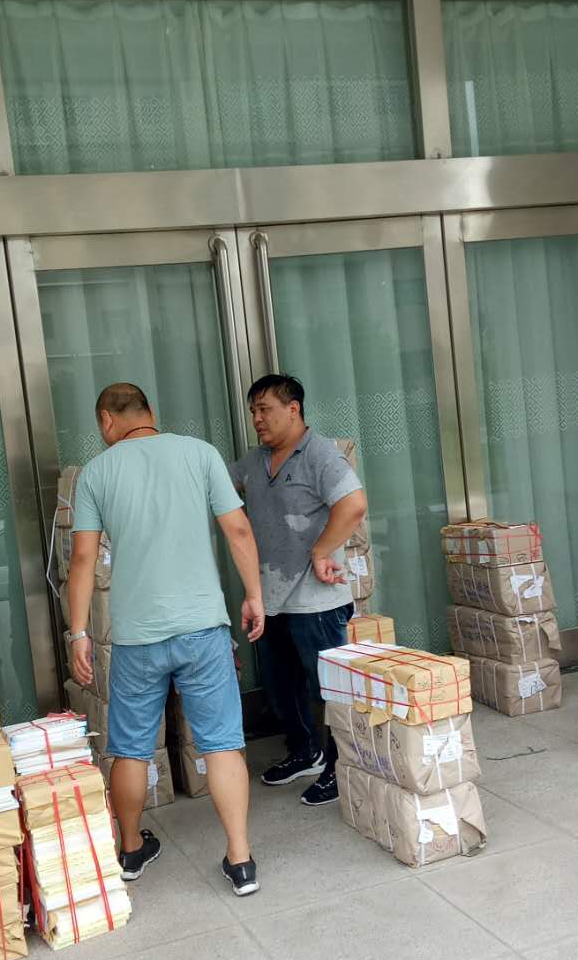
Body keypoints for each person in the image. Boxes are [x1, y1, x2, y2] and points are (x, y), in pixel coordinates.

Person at [66, 382, 266, 897]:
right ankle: (240, 859)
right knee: (221, 743)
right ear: (150, 412)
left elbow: (83, 559)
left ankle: (131, 850)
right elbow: (239, 530)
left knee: (130, 749)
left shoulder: (96, 473)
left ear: (106, 421)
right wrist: (253, 595)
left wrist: (79, 632)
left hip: (137, 637)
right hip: (202, 627)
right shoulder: (200, 453)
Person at [230, 374, 368, 807]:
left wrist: (322, 549)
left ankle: (341, 768)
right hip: (271, 600)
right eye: (253, 411)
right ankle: (305, 752)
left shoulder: (320, 454)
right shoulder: (255, 461)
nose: (257, 419)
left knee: (327, 689)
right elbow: (219, 486)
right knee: (281, 687)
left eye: (264, 409)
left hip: (316, 601)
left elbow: (354, 504)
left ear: (294, 409)